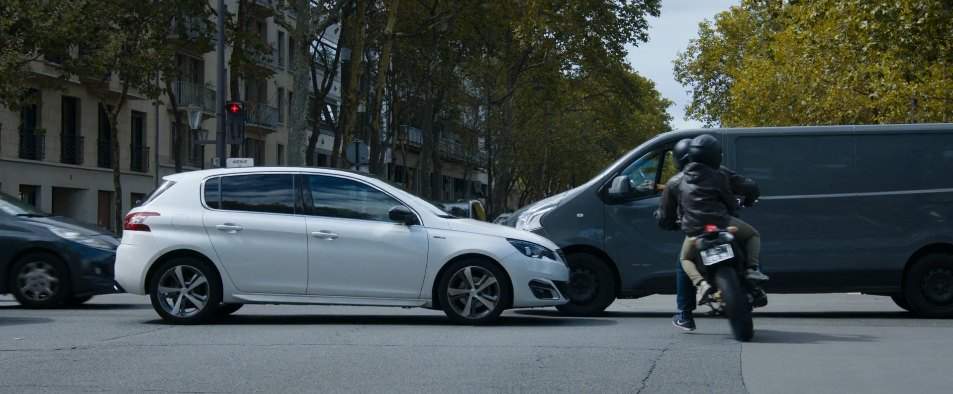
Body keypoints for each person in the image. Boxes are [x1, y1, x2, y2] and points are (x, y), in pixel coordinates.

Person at [656, 135, 766, 331]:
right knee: (751, 237)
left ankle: (685, 313)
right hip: (723, 223)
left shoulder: (675, 182)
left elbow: (665, 215)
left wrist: (670, 223)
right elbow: (741, 191)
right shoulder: (719, 173)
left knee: (683, 261)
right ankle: (753, 276)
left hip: (696, 230)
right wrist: (743, 202)